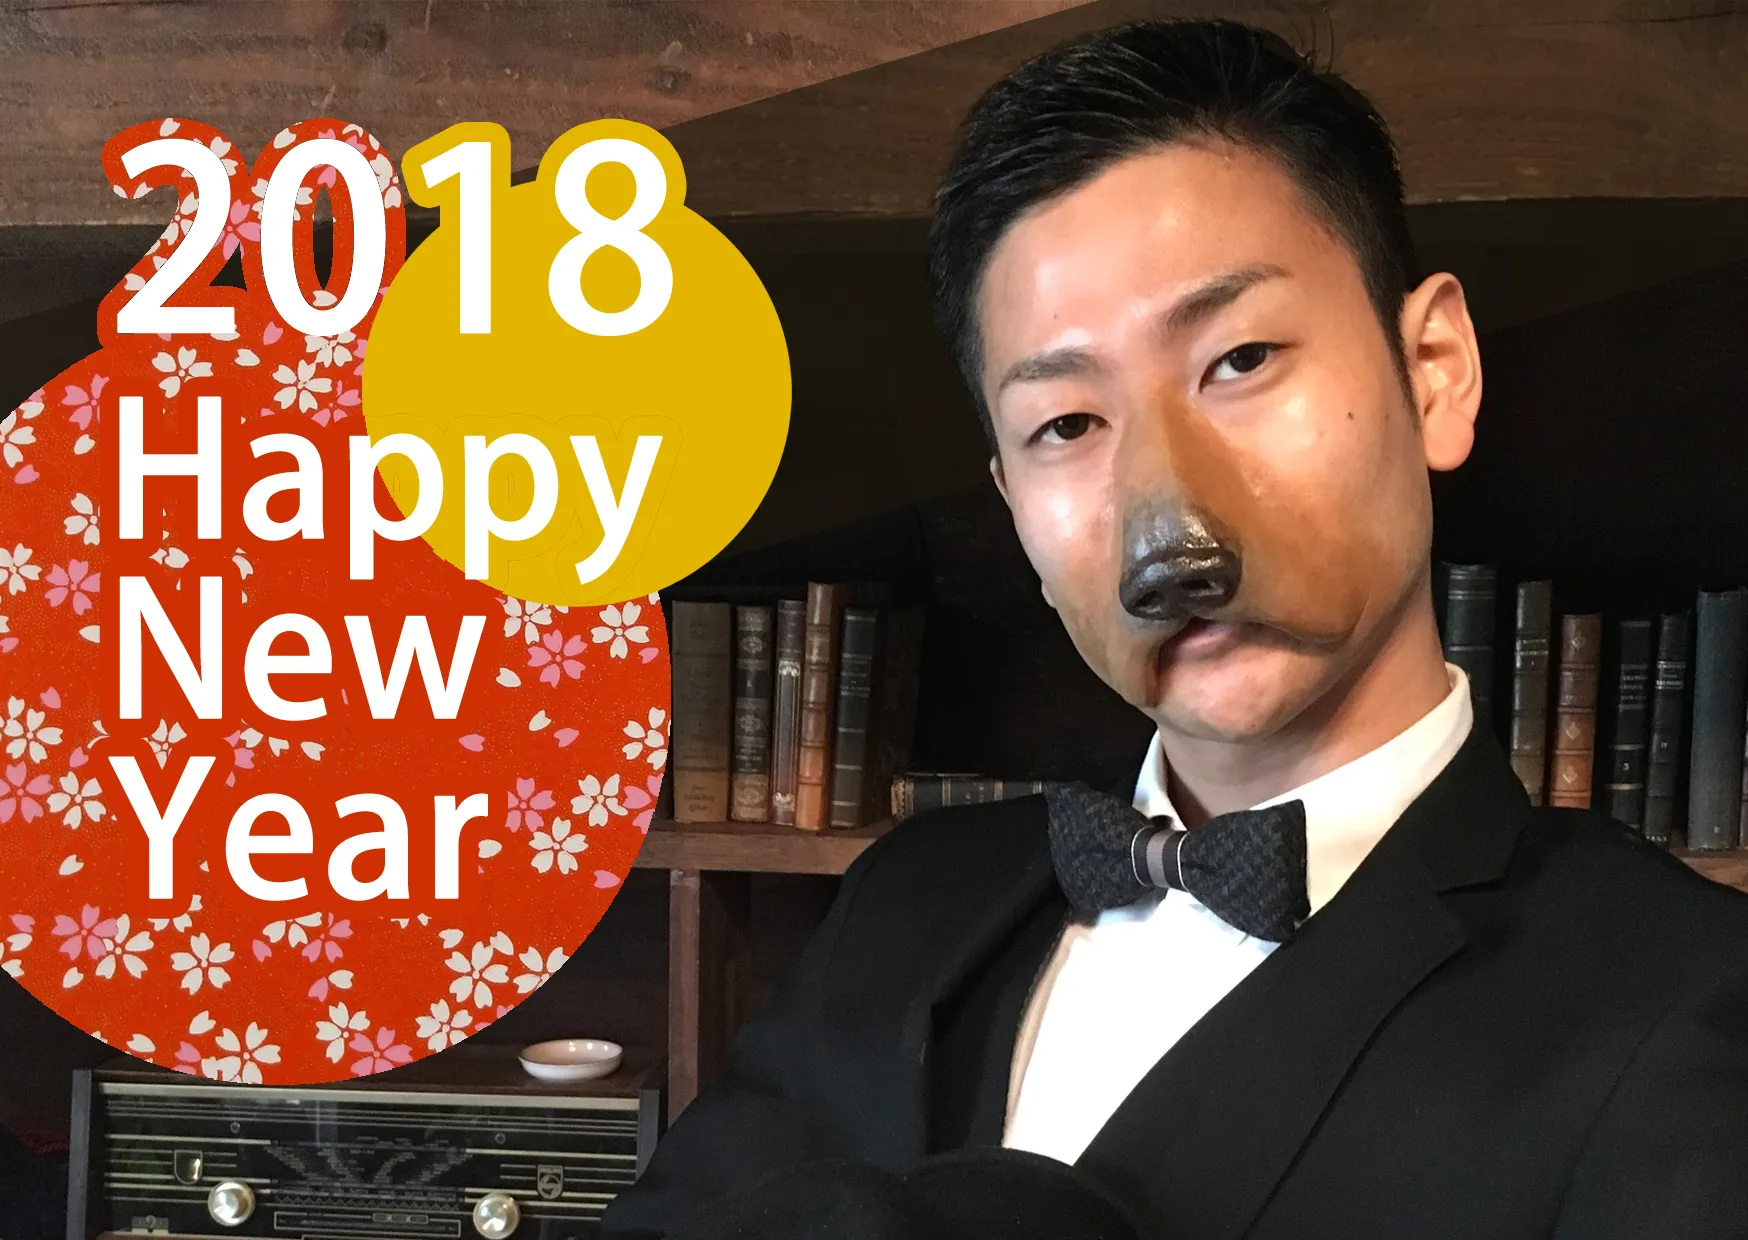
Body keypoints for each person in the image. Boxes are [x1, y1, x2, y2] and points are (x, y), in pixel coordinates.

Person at [603, 18, 1748, 1239]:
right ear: (1011, 504)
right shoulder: (906, 894)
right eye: (1065, 424)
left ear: (1432, 370)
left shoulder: (1685, 1000)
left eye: (1238, 359)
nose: (1171, 539)